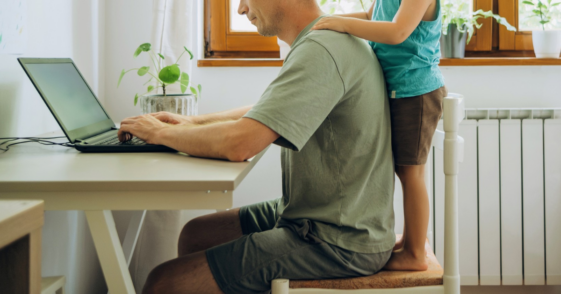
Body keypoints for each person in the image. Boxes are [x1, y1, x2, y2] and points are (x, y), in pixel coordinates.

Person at [118, 0, 395, 292]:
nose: (239, 9)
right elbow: (269, 110)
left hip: (339, 238)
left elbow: (241, 144)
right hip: (320, 212)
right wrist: (190, 123)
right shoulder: (323, 39)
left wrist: (159, 133)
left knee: (164, 282)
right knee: (196, 234)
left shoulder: (322, 48)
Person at [312, 0, 447, 271]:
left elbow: (398, 31)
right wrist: (327, 21)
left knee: (412, 174)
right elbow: (370, 15)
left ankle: (415, 254)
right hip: (400, 90)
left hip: (415, 92)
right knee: (404, 172)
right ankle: (411, 240)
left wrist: (342, 24)